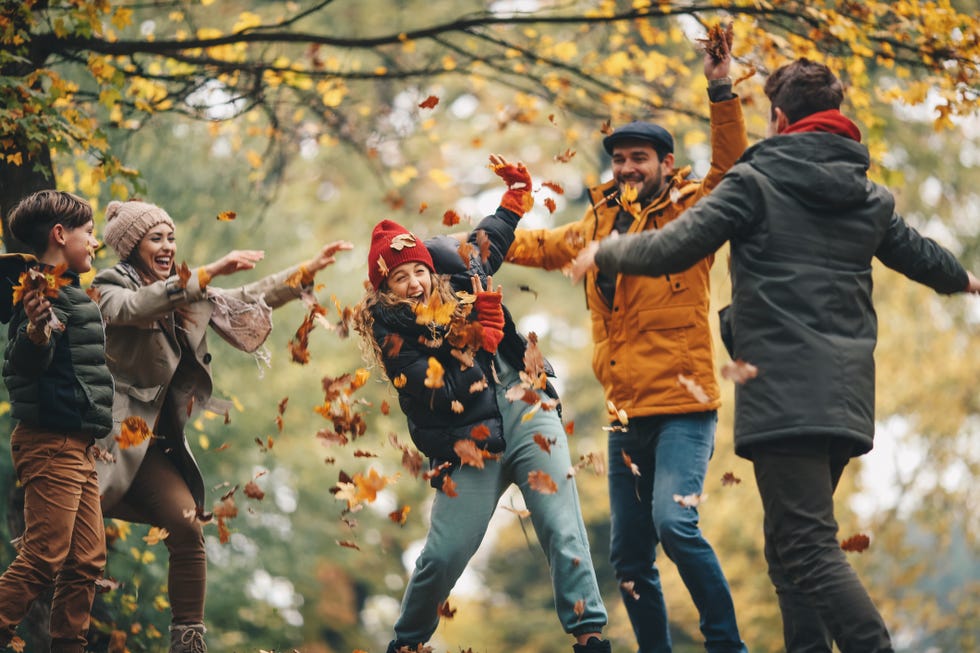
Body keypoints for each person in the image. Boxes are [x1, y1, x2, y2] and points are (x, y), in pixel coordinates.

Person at [574, 58, 980, 653]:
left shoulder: (755, 182)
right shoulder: (867, 194)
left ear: (780, 118)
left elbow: (673, 247)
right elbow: (918, 254)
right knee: (789, 549)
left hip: (784, 394)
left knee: (806, 548)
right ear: (836, 118)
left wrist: (607, 252)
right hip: (845, 400)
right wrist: (964, 278)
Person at [504, 28, 748, 653]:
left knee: (675, 523)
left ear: (666, 165)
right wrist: (473, 243)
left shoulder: (695, 212)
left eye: (641, 158)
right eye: (620, 158)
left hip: (683, 409)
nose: (628, 167)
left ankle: (728, 645)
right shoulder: (596, 223)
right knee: (629, 557)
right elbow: (538, 245)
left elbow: (729, 167)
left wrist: (721, 88)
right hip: (624, 414)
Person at [353, 156, 611, 653]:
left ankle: (590, 635)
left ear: (430, 267)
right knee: (443, 554)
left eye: (417, 271)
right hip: (466, 441)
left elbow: (487, 240)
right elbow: (442, 396)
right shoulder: (392, 336)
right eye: (398, 279)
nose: (413, 284)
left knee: (560, 524)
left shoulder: (453, 269)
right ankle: (406, 644)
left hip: (526, 405)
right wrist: (478, 342)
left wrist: (515, 198)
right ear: (384, 289)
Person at [91, 198, 352, 653]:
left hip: (153, 449)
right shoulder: (111, 283)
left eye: (171, 237)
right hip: (109, 442)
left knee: (187, 525)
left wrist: (304, 273)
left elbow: (251, 297)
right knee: (58, 549)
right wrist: (202, 275)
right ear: (132, 246)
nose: (168, 246)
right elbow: (130, 308)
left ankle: (188, 642)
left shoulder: (193, 296)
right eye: (156, 238)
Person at [0, 190, 113, 652]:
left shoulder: (68, 291)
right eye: (88, 232)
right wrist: (35, 329)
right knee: (44, 556)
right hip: (49, 442)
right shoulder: (35, 292)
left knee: (86, 559)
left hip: (78, 443)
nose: (94, 241)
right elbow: (22, 360)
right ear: (60, 235)